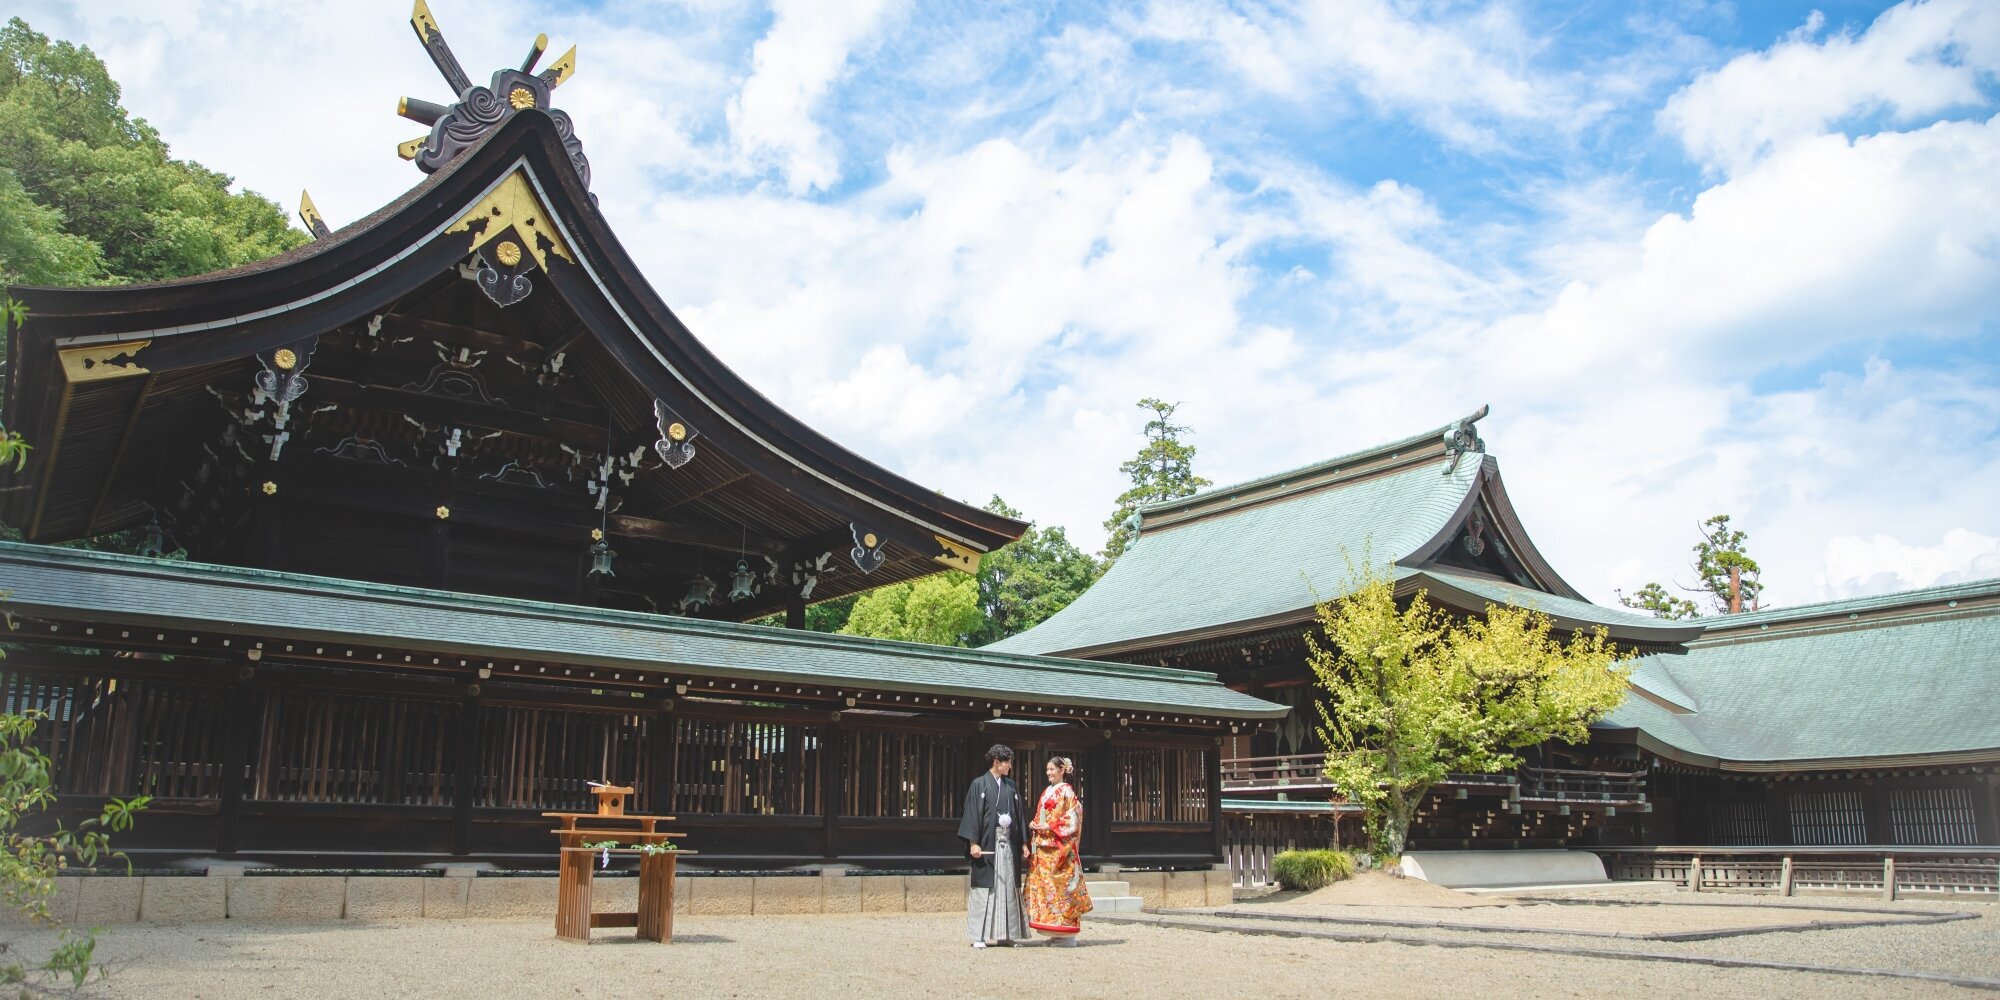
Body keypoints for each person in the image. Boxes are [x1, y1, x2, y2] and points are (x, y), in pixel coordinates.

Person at [957, 743, 1032, 948]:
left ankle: (1006, 934)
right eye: (1006, 763)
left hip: (1009, 843)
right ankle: (978, 936)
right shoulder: (979, 784)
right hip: (987, 843)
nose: (1009, 767)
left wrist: (1024, 842)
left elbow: (1019, 815)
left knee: (1008, 886)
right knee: (985, 888)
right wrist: (973, 843)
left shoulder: (1011, 787)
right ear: (996, 762)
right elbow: (972, 814)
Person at [1025, 756, 1092, 944]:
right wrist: (1036, 823)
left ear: (1062, 770)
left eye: (1052, 769)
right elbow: (1042, 815)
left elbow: (1073, 818)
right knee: (1047, 888)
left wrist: (1050, 826)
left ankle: (1068, 934)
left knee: (1063, 888)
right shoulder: (1047, 791)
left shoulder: (1068, 792)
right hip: (1045, 848)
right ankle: (1054, 931)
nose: (1049, 773)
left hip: (1060, 848)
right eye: (1047, 770)